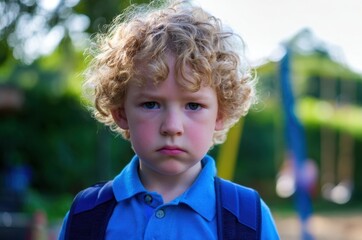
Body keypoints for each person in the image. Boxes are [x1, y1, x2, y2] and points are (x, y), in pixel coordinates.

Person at [58, 0, 279, 239]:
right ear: (120, 113)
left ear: (221, 114)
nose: (172, 127)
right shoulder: (86, 216)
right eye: (151, 104)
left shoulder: (247, 217)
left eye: (193, 105)